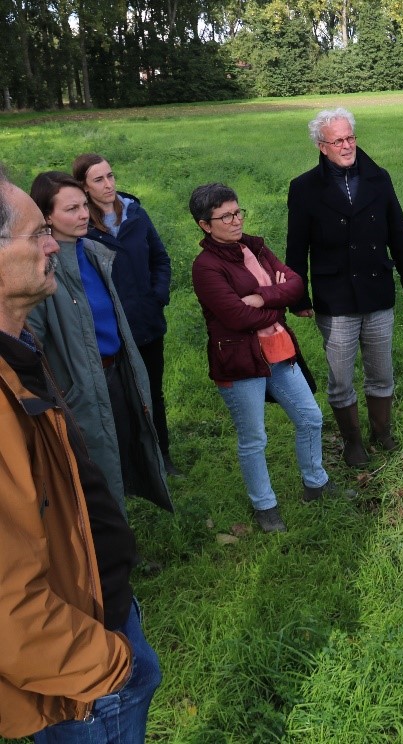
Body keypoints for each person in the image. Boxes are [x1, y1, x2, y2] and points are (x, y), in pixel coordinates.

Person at [1, 170, 161, 743]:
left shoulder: (18, 355)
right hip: (80, 674)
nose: (53, 244)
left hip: (97, 612)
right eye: (37, 233)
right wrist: (108, 667)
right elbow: (7, 601)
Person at [191, 183, 340, 534]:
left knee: (310, 417)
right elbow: (236, 318)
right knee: (254, 437)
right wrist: (275, 305)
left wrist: (261, 297)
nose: (235, 220)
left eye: (238, 211)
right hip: (240, 361)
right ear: (205, 225)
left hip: (277, 352)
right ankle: (265, 505)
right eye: (225, 216)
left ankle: (315, 483)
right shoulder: (206, 267)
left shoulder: (255, 247)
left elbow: (295, 284)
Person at [27, 172, 172, 518]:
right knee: (91, 471)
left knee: (118, 454)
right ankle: (107, 559)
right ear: (46, 217)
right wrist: (60, 396)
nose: (82, 214)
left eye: (83, 206)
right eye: (71, 208)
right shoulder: (41, 269)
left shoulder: (93, 251)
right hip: (79, 388)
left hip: (116, 373)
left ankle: (118, 544)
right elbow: (33, 348)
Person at [286, 107, 403, 466]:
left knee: (381, 372)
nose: (347, 146)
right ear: (321, 146)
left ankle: (382, 433)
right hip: (335, 298)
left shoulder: (379, 178)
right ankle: (352, 442)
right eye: (338, 140)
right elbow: (296, 246)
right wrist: (297, 297)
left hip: (377, 291)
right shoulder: (303, 188)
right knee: (341, 378)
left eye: (351, 138)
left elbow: (398, 230)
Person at [73, 153, 179, 476]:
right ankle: (128, 464)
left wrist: (156, 296)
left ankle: (162, 457)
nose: (108, 185)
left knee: (153, 392)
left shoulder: (135, 214)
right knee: (119, 397)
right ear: (84, 187)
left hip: (146, 323)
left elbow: (160, 259)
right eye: (98, 179)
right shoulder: (82, 227)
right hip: (110, 331)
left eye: (110, 176)